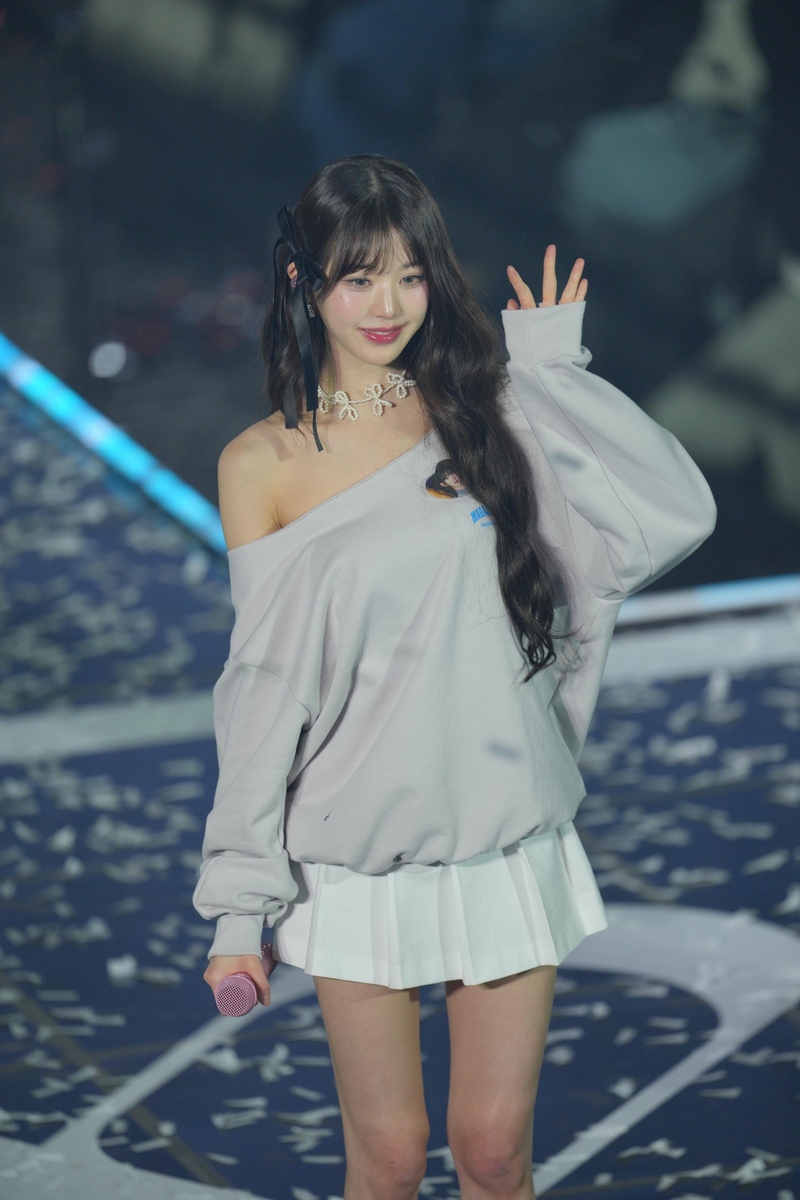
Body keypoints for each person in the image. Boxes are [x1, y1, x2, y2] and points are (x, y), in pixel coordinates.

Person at [194, 154, 716, 1200]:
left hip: (501, 839)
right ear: (303, 281)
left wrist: (555, 376)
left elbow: (668, 515)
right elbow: (264, 693)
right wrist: (239, 911)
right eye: (358, 278)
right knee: (388, 1162)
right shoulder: (260, 465)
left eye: (409, 275)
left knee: (492, 1154)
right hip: (354, 858)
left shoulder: (485, 408)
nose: (387, 306)